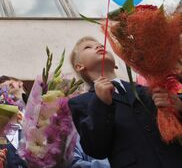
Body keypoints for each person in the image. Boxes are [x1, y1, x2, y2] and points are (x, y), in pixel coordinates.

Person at [68, 36, 182, 168]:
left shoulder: (147, 91)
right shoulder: (81, 102)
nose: (99, 46)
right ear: (79, 66)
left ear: (115, 64)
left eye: (100, 44)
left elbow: (173, 127)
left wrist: (179, 107)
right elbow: (96, 149)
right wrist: (101, 104)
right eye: (88, 47)